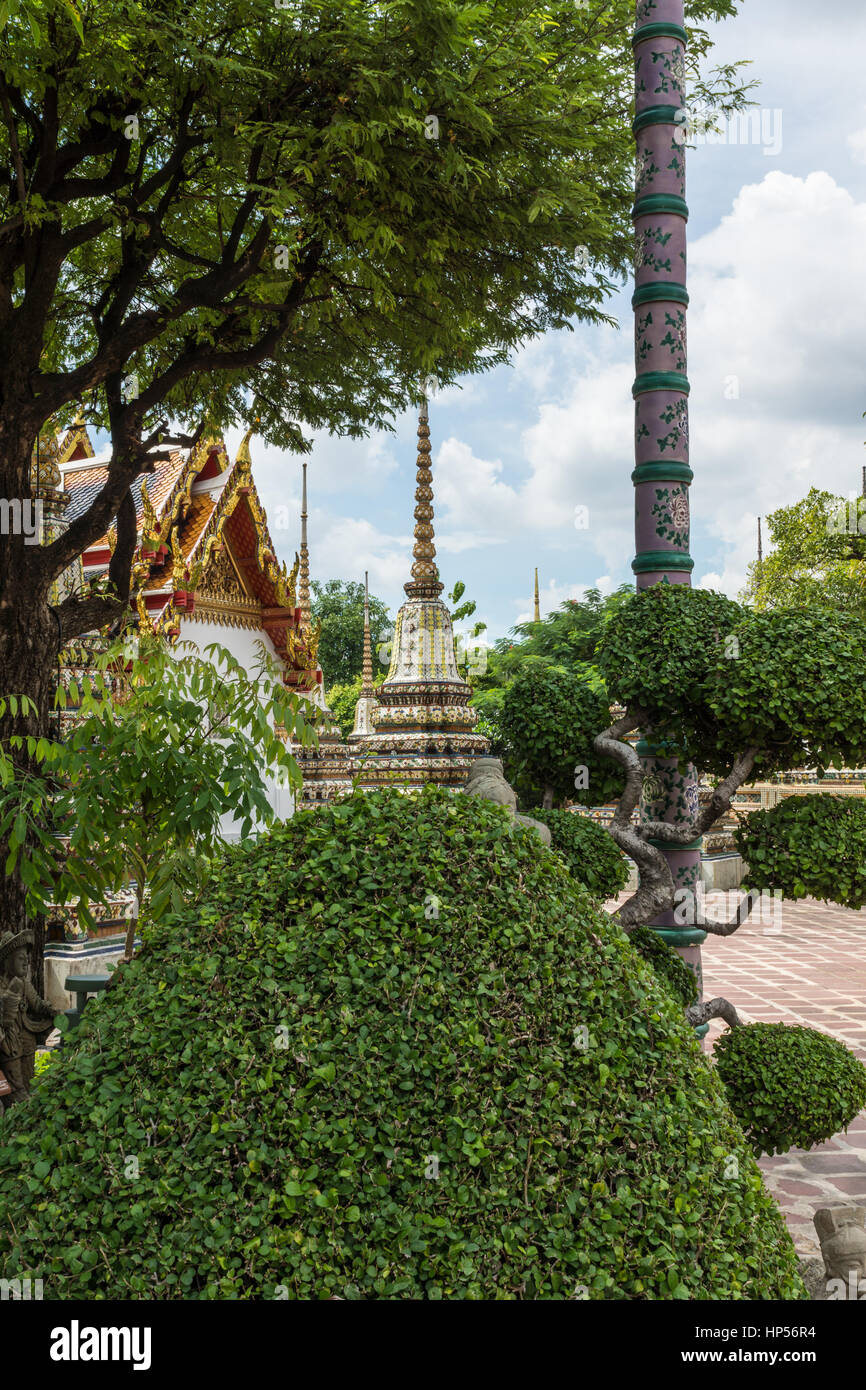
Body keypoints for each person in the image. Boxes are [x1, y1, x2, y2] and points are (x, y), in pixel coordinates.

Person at [0, 930, 56, 1109]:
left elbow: (37, 1004)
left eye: (26, 957)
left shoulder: (24, 983)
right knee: (16, 1092)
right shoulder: (4, 985)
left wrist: (51, 1010)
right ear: (7, 961)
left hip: (27, 1039)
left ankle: (27, 1120)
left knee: (29, 1083)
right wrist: (13, 992)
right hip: (9, 1045)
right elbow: (5, 1020)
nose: (26, 961)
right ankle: (19, 1121)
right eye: (20, 958)